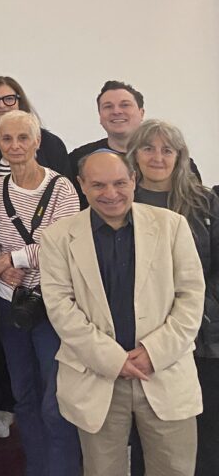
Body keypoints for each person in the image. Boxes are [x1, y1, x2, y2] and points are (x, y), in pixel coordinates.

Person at [40, 151, 205, 476]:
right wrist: (113, 360)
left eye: (119, 183)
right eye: (98, 185)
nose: (111, 193)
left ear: (133, 180)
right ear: (81, 185)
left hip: (164, 370)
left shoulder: (172, 226)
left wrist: (154, 352)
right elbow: (60, 308)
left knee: (174, 469)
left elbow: (191, 297)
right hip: (97, 375)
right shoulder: (57, 237)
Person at [0, 111, 82, 475]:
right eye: (7, 139)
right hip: (10, 301)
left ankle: (62, 468)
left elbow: (63, 245)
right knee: (23, 393)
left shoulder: (62, 188)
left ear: (37, 141)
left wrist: (15, 257)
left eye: (23, 137)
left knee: (55, 397)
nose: (15, 146)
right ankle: (37, 467)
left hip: (51, 303)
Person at [128, 120, 219, 475]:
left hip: (202, 336)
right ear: (134, 155)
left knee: (207, 429)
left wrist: (193, 307)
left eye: (167, 150)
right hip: (145, 338)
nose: (157, 157)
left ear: (180, 157)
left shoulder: (205, 203)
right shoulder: (121, 203)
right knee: (148, 432)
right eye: (148, 148)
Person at [0, 76, 70, 183]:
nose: (2, 105)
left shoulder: (51, 144)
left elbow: (64, 184)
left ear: (20, 101)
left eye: (9, 99)